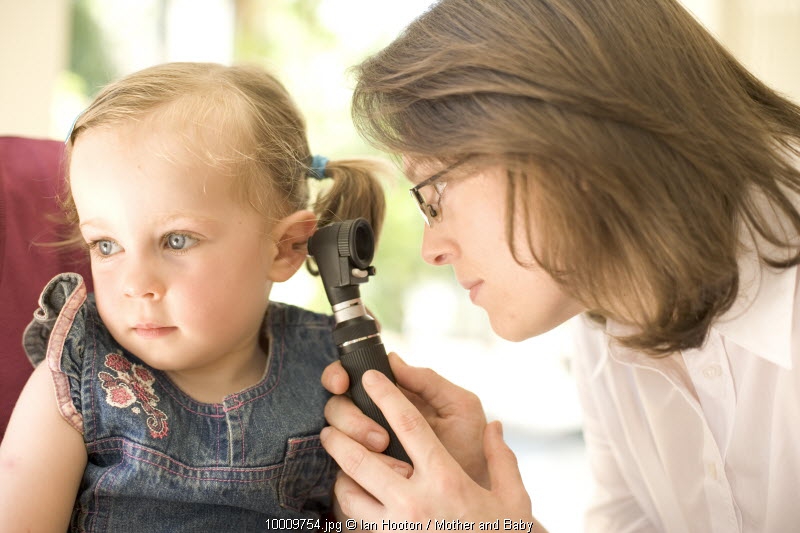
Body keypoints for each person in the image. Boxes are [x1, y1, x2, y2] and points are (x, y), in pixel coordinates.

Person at [318, 1, 800, 531]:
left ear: (559, 135)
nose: (431, 249)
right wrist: (477, 504)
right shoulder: (608, 315)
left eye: (433, 192)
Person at [0, 62, 386, 531]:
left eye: (176, 240)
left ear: (285, 248)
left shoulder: (334, 374)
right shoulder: (74, 376)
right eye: (106, 246)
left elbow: (368, 515)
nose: (135, 282)